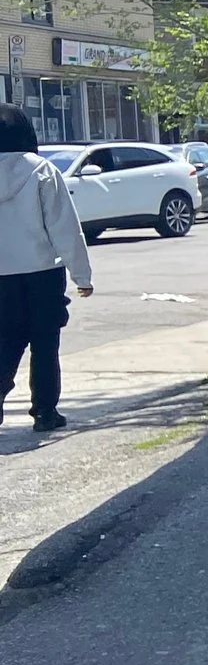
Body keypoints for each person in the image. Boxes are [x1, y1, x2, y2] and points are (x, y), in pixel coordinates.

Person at [0, 102, 89, 432]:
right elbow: (64, 227)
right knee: (45, 342)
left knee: (5, 341)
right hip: (42, 272)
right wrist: (82, 274)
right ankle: (45, 412)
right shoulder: (42, 170)